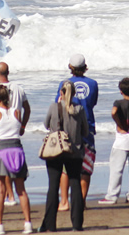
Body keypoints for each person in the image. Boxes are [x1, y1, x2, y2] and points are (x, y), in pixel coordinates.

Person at [39, 81, 89, 233]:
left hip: (55, 150)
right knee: (75, 185)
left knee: (53, 187)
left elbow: (46, 125)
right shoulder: (79, 109)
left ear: (61, 93)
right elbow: (85, 131)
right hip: (75, 151)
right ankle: (77, 224)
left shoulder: (54, 107)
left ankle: (50, 225)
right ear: (74, 94)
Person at [0, 85, 32, 235]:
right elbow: (18, 129)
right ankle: (28, 223)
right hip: (16, 149)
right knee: (21, 190)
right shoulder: (16, 112)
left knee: (0, 191)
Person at [0, 62, 32, 206]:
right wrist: (22, 125)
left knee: (3, 163)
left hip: (1, 125)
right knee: (12, 163)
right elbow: (27, 109)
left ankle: (10, 195)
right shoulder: (19, 88)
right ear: (8, 72)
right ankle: (10, 195)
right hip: (15, 123)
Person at [55, 54, 98, 211]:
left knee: (66, 167)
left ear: (70, 67)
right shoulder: (92, 84)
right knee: (86, 166)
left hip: (68, 128)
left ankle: (65, 201)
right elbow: (92, 103)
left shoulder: (64, 83)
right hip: (87, 127)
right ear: (85, 67)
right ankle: (81, 201)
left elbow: (58, 104)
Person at [98, 77, 129, 205]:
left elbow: (114, 112)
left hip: (122, 139)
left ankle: (112, 196)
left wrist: (119, 123)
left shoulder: (118, 102)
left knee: (117, 168)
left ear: (121, 91)